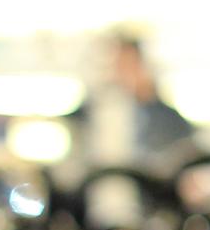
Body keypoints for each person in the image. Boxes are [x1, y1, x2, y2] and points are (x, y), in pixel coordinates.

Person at [69, 34, 194, 165]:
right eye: (116, 65)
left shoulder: (168, 119)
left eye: (127, 65)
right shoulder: (95, 110)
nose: (119, 72)